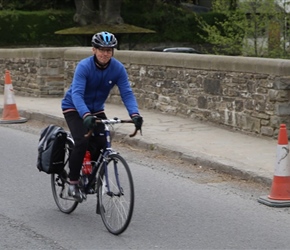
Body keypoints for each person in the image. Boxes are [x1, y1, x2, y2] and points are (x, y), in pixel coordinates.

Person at [61, 31, 143, 202]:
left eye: (109, 50)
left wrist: (135, 114)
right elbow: (77, 94)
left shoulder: (117, 69)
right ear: (93, 50)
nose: (105, 54)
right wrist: (85, 115)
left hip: (96, 109)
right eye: (101, 50)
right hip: (74, 108)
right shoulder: (84, 66)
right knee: (82, 141)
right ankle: (73, 183)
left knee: (102, 141)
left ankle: (89, 172)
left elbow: (127, 93)